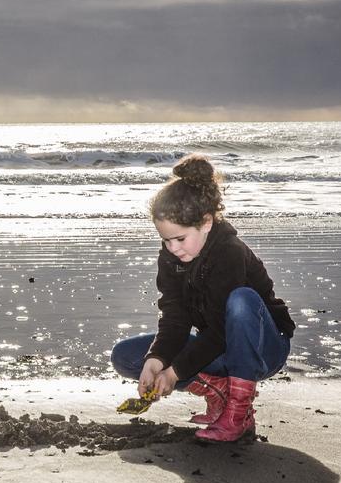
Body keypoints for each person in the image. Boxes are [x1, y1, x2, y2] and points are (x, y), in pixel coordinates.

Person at [110, 154, 295, 442]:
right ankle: (219, 391)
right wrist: (158, 360)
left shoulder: (229, 252)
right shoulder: (170, 259)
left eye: (180, 239)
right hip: (218, 351)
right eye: (166, 240)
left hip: (262, 349)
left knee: (241, 300)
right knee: (127, 356)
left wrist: (175, 373)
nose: (172, 248)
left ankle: (239, 413)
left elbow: (223, 330)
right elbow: (174, 319)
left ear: (206, 223)